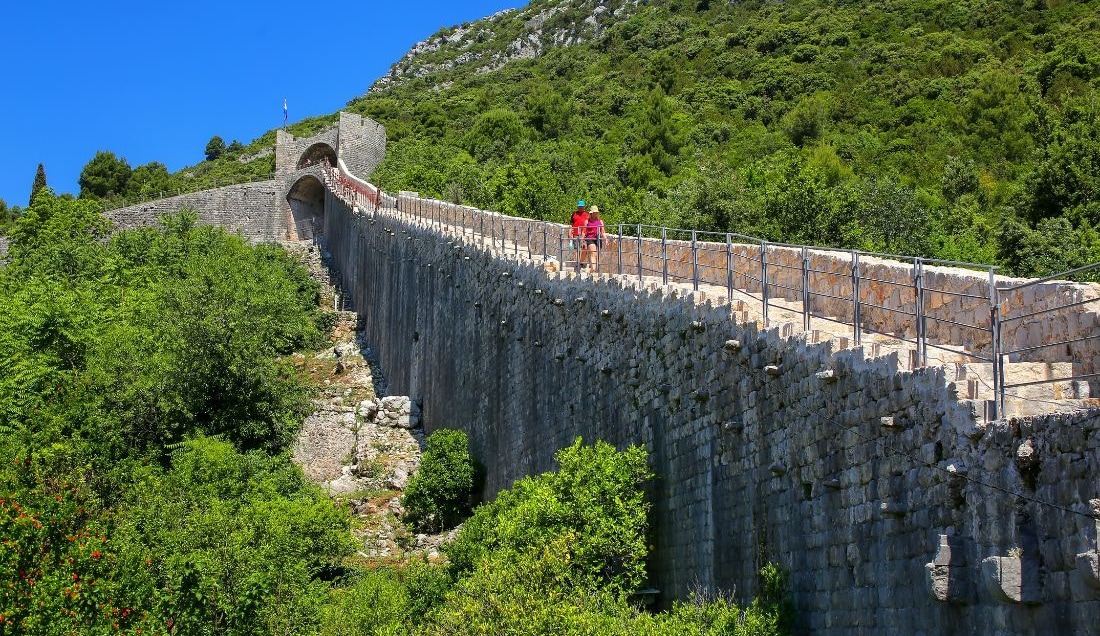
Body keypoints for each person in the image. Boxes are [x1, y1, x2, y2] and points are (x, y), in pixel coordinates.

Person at [585, 205, 607, 271]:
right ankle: (594, 269)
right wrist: (582, 240)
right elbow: (583, 231)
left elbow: (603, 231)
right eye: (594, 212)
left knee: (596, 255)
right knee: (593, 253)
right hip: (590, 238)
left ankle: (593, 269)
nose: (596, 213)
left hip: (598, 238)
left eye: (596, 212)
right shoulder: (587, 221)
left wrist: (605, 239)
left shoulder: (600, 221)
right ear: (591, 213)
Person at [570, 200, 589, 270]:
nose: (580, 208)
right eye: (579, 207)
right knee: (576, 249)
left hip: (585, 234)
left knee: (585, 249)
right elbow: (571, 224)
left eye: (581, 207)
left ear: (584, 207)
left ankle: (581, 261)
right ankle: (577, 264)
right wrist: (570, 233)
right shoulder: (574, 214)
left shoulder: (587, 214)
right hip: (575, 234)